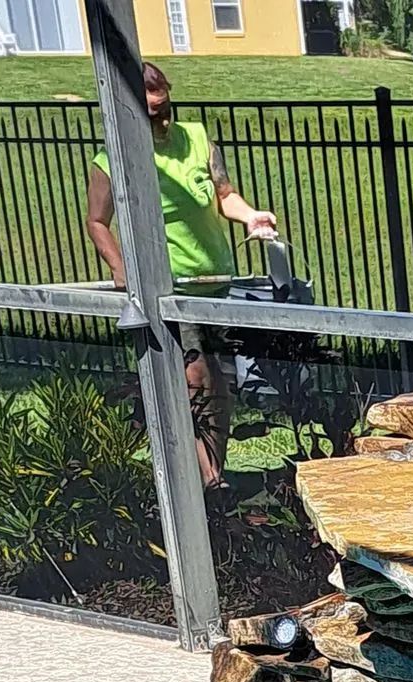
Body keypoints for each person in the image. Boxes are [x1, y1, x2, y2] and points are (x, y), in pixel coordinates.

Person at [84, 62, 278, 488]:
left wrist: (251, 216)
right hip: (169, 290)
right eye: (152, 114)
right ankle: (207, 480)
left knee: (221, 383)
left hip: (215, 284)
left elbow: (224, 194)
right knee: (194, 379)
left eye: (166, 109)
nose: (163, 121)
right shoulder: (112, 159)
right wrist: (120, 266)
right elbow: (97, 221)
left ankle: (212, 473)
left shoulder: (198, 139)